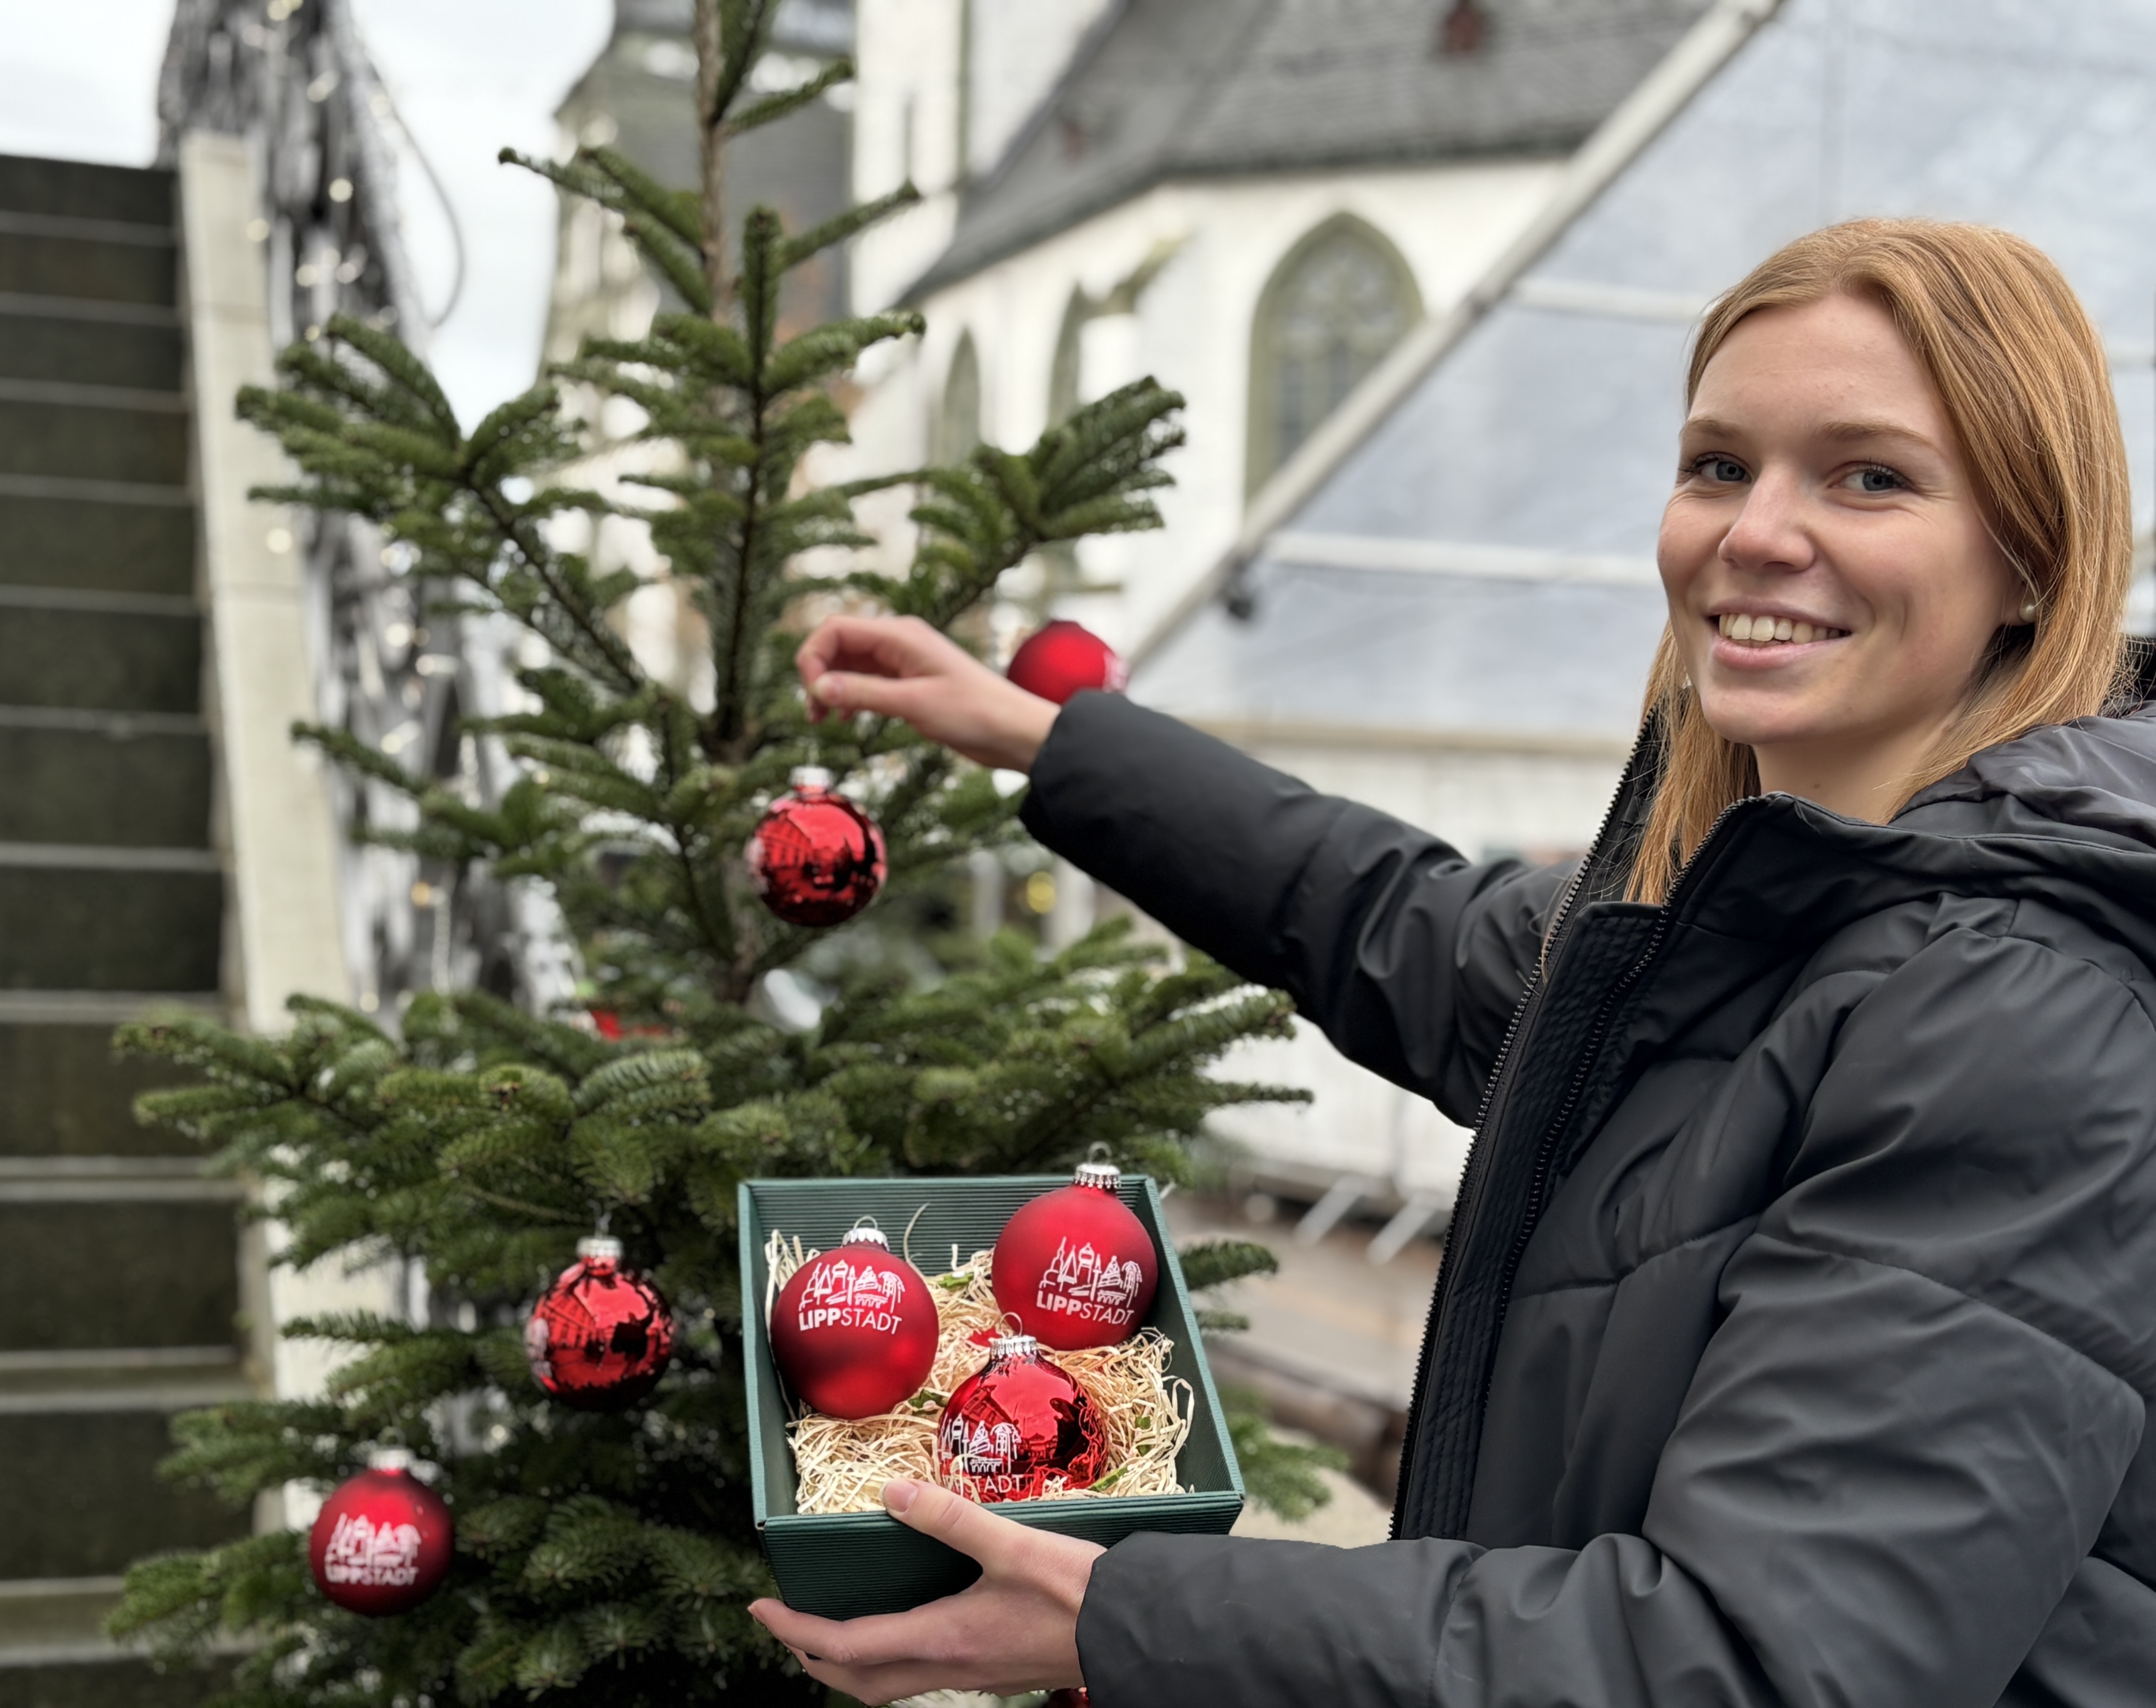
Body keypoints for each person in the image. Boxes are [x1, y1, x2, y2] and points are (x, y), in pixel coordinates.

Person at [750, 219, 2156, 1705]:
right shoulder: (1745, 918)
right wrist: (1051, 739)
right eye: (1719, 464)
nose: (1754, 532)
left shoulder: (2017, 1011)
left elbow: (1753, 1664)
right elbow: (1394, 916)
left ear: (2027, 561)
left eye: (1869, 475)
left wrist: (1131, 1615)